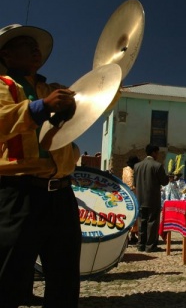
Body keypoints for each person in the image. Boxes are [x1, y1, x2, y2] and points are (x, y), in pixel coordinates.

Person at [0, 24, 81, 307]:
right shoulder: (2, 85)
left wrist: (109, 82)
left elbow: (91, 106)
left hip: (60, 194)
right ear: (6, 53)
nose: (35, 50)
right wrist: (41, 106)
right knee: (8, 275)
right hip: (17, 193)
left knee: (65, 277)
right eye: (26, 44)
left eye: (37, 46)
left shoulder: (52, 88)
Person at [134, 144, 168, 252]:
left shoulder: (137, 166)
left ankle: (141, 244)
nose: (158, 155)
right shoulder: (157, 166)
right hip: (152, 198)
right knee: (152, 222)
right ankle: (150, 246)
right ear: (153, 152)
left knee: (141, 222)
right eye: (157, 153)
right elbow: (165, 181)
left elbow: (135, 182)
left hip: (140, 198)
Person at [122, 155, 140, 244]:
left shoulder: (125, 170)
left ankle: (130, 236)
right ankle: (131, 236)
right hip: (132, 196)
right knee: (133, 217)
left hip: (125, 196)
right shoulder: (130, 172)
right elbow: (132, 186)